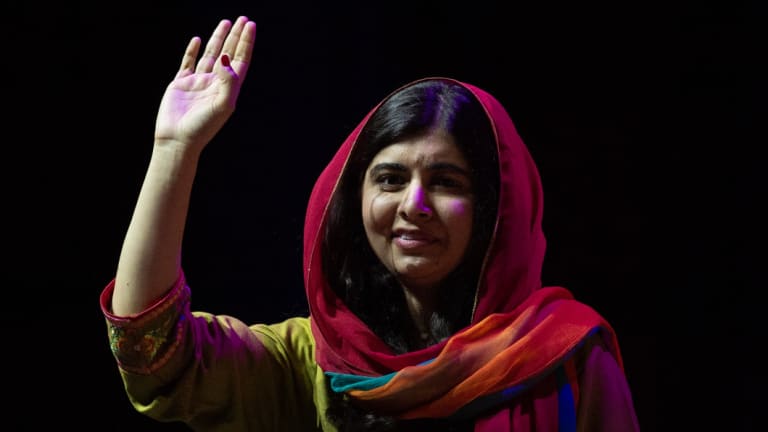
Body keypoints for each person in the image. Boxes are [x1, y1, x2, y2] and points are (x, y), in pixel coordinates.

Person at [101, 15, 640, 432]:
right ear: (353, 199)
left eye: (448, 181)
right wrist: (175, 151)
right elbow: (154, 350)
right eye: (389, 178)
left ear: (496, 209)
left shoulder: (564, 359)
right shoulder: (308, 366)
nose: (415, 203)